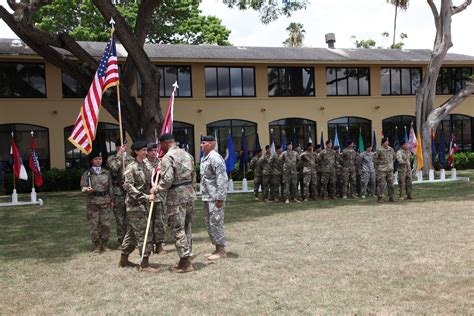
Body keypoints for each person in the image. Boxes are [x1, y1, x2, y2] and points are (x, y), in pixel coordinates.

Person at [154, 133, 196, 273]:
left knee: (178, 229)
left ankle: (186, 262)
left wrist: (157, 189)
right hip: (189, 194)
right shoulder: (187, 154)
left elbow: (167, 180)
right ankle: (185, 257)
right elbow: (194, 175)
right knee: (187, 227)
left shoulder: (168, 157)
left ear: (166, 142)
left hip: (176, 196)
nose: (160, 147)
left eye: (161, 144)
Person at [119, 140, 157, 272]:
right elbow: (129, 187)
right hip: (135, 205)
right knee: (144, 233)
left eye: (146, 150)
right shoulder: (131, 167)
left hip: (144, 204)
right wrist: (146, 197)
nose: (146, 152)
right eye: (143, 150)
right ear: (136, 152)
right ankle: (144, 264)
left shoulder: (146, 165)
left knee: (132, 234)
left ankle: (123, 260)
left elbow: (153, 177)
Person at [200, 135, 229, 261]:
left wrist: (220, 198)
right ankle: (216, 248)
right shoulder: (205, 158)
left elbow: (222, 179)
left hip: (215, 197)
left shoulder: (215, 158)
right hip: (207, 196)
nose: (201, 145)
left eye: (203, 143)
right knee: (210, 223)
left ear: (211, 144)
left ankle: (221, 250)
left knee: (216, 222)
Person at [80, 151, 113, 253]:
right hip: (93, 202)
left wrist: (112, 200)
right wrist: (87, 189)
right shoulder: (87, 174)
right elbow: (82, 187)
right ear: (92, 161)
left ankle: (105, 244)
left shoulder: (106, 173)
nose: (98, 161)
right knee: (94, 225)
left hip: (105, 201)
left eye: (100, 159)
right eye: (96, 159)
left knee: (105, 224)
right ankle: (97, 245)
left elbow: (110, 187)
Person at [107, 139, 132, 249]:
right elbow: (114, 167)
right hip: (118, 193)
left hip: (129, 192)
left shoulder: (131, 159)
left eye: (123, 146)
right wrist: (119, 155)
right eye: (119, 146)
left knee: (130, 217)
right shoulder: (112, 158)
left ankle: (130, 240)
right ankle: (121, 241)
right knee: (120, 218)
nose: (122, 148)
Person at [144, 142, 167, 255]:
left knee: (160, 222)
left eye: (155, 150)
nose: (153, 153)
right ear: (147, 152)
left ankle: (159, 245)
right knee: (148, 221)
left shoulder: (161, 163)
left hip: (160, 196)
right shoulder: (143, 163)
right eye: (151, 151)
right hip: (147, 196)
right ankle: (149, 246)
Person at [375, 137, 396, 203]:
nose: (387, 142)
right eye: (386, 141)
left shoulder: (391, 149)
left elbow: (394, 157)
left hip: (389, 170)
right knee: (381, 184)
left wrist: (391, 164)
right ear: (383, 143)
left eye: (387, 141)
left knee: (391, 184)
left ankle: (391, 197)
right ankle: (380, 197)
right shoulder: (379, 150)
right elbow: (375, 159)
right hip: (382, 170)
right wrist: (379, 166)